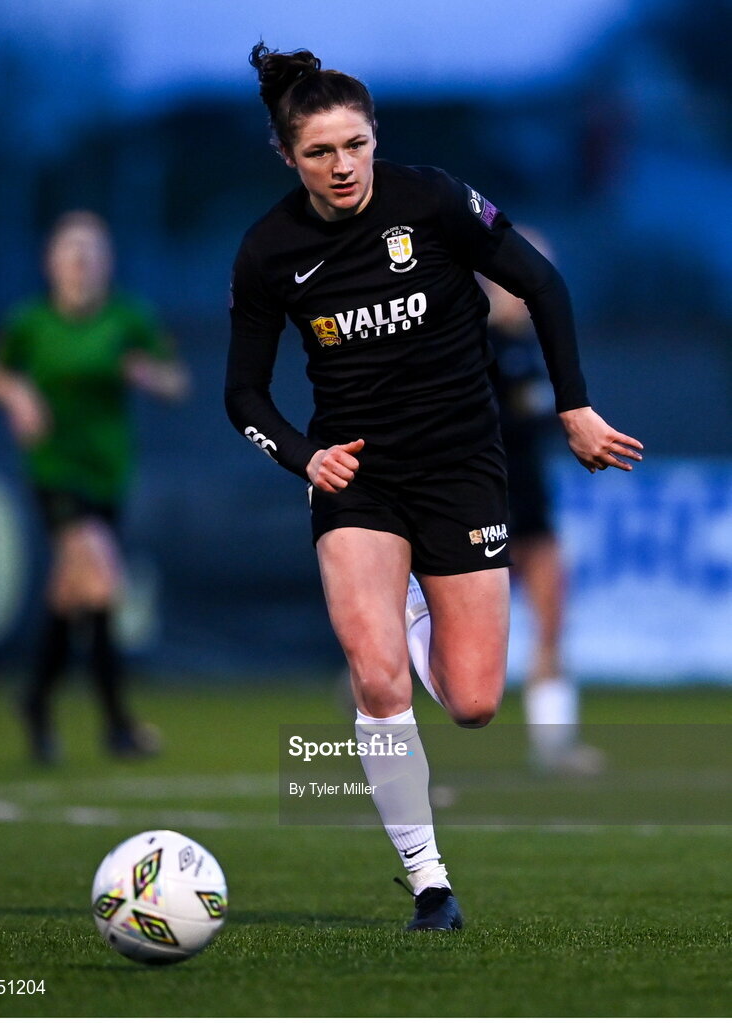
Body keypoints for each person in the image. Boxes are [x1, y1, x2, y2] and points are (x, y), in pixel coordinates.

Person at [225, 44, 643, 932]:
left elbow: (543, 282)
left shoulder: (435, 199)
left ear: (376, 137)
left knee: (475, 702)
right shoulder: (269, 250)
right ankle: (431, 885)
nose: (341, 167)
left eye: (354, 144)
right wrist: (303, 456)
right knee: (377, 682)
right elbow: (244, 393)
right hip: (359, 481)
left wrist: (575, 409)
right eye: (318, 153)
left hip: (462, 470)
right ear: (288, 157)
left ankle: (413, 600)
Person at [0, 210, 188, 764]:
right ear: (51, 262)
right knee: (101, 581)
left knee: (73, 595)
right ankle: (118, 723)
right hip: (53, 473)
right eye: (70, 251)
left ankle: (36, 701)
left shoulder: (129, 317)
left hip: (108, 475)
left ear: (106, 262)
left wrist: (147, 375)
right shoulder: (29, 321)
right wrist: (18, 393)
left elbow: (176, 382)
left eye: (91, 251)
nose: (80, 262)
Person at [480, 232, 605, 775]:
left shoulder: (532, 348)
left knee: (553, 621)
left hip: (533, 508)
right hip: (479, 509)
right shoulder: (471, 344)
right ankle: (370, 710)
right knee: (441, 635)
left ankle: (553, 743)